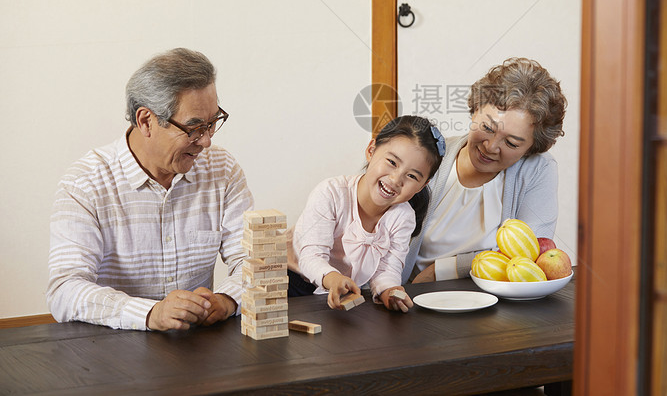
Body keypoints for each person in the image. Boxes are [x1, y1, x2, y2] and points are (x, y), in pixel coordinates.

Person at [47, 48, 253, 331]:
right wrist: (150, 313)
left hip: (198, 350)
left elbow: (253, 260)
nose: (206, 141)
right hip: (112, 351)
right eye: (194, 128)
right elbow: (64, 290)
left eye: (213, 123)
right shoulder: (85, 183)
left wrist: (227, 300)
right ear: (146, 121)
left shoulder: (222, 169)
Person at [402, 57, 567, 283]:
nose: (490, 147)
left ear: (531, 148)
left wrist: (444, 269)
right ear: (476, 109)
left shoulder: (538, 169)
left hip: (494, 303)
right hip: (414, 296)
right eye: (487, 128)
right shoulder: (431, 155)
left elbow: (531, 254)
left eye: (511, 143)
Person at [288, 115, 445, 312]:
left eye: (412, 176)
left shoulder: (403, 217)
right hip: (292, 283)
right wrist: (333, 278)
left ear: (423, 185)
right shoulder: (331, 193)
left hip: (344, 293)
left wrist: (389, 290)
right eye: (392, 162)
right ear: (371, 150)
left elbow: (387, 270)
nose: (396, 179)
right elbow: (311, 257)